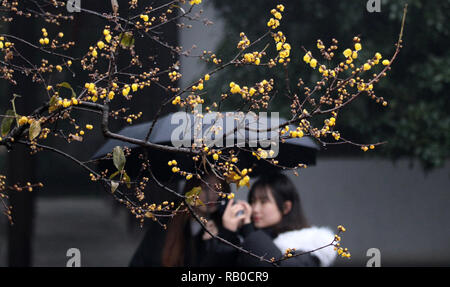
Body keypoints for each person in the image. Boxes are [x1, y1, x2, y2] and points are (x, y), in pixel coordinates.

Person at [218, 172, 337, 267]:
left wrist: (249, 231)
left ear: (286, 207)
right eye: (253, 201)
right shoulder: (245, 237)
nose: (255, 209)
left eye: (264, 202)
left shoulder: (310, 244)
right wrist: (227, 234)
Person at [129, 173, 240, 267]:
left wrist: (211, 244)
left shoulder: (225, 226)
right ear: (191, 189)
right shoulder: (167, 219)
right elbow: (143, 259)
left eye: (218, 189)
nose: (212, 195)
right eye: (205, 187)